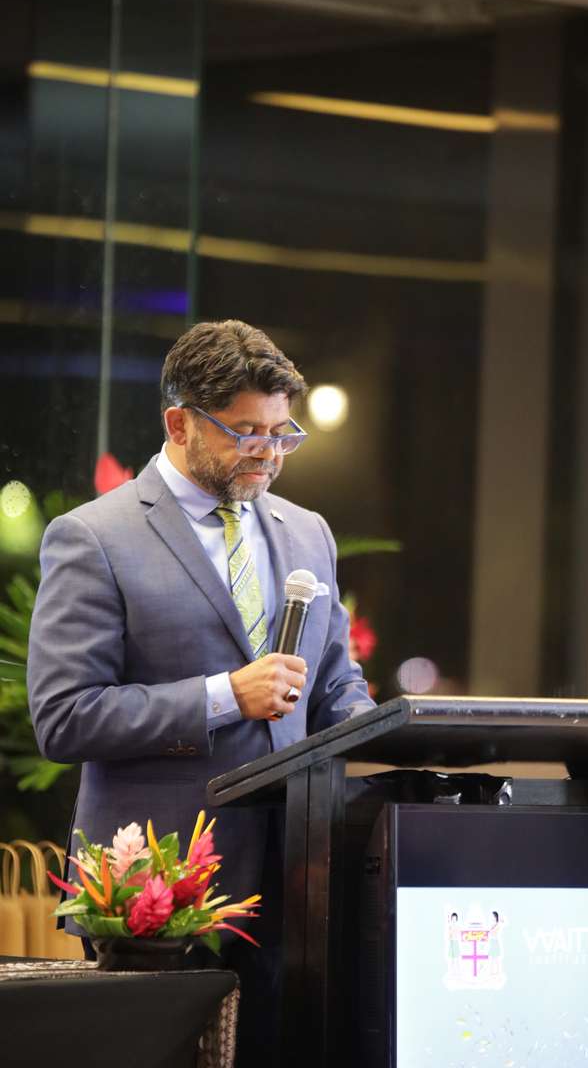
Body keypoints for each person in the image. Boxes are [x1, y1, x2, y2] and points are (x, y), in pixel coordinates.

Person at [27, 318, 375, 1057]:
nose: (268, 453)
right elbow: (63, 717)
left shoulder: (308, 532)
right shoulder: (94, 537)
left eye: (282, 434)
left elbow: (336, 684)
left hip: (298, 880)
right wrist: (224, 696)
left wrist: (379, 732)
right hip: (158, 893)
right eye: (246, 432)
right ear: (179, 423)